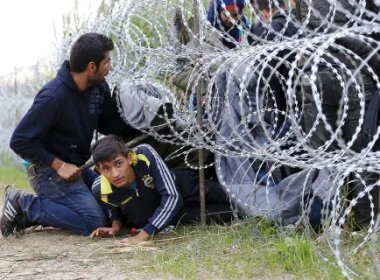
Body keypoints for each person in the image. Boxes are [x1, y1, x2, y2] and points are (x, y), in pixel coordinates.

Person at [1, 33, 134, 237]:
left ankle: (41, 210)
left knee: (112, 209)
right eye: (107, 61)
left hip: (78, 167)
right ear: (91, 66)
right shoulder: (54, 96)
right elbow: (20, 141)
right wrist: (59, 166)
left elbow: (108, 123)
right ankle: (24, 205)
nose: (110, 67)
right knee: (94, 221)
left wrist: (145, 127)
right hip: (47, 171)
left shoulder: (98, 88)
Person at [89, 135, 232, 243]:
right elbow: (114, 206)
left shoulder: (144, 154)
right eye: (106, 168)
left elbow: (172, 196)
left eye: (118, 164)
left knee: (234, 196)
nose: (115, 174)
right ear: (98, 170)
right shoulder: (99, 190)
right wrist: (115, 226)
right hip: (176, 215)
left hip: (187, 188)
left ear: (129, 158)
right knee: (233, 212)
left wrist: (143, 234)